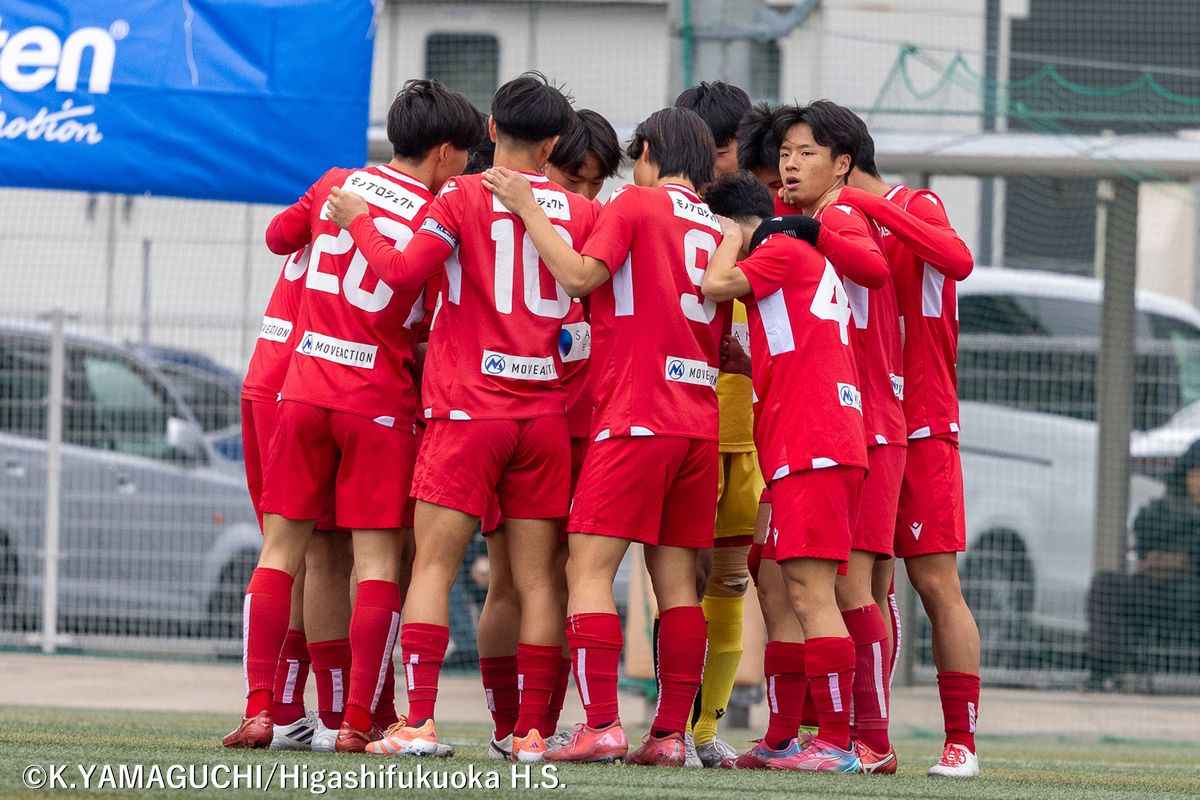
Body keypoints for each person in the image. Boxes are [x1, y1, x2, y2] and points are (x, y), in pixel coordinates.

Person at [327, 72, 594, 763]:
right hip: (544, 415)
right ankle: (530, 733)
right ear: (554, 145)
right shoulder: (579, 211)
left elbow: (399, 273)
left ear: (493, 130)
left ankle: (418, 722)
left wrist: (357, 221)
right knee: (538, 581)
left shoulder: (461, 195)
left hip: (467, 410)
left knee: (433, 569)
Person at [223, 79, 483, 752]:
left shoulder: (338, 183)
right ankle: (355, 720)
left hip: (303, 391)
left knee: (282, 553)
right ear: (446, 152)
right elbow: (432, 318)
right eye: (466, 153)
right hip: (377, 403)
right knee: (375, 564)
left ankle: (261, 710)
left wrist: (324, 220)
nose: (468, 166)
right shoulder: (440, 219)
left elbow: (278, 237)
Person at [484, 106, 725, 766]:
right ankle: (671, 736)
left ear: (646, 153)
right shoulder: (715, 225)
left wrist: (527, 208)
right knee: (678, 585)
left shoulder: (635, 204)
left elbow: (579, 276)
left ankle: (601, 725)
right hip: (698, 425)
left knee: (585, 569)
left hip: (636, 417)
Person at [702, 170, 886, 774]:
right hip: (801, 445)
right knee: (775, 585)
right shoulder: (794, 259)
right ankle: (781, 738)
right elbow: (799, 347)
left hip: (815, 446)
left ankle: (836, 743)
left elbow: (714, 284)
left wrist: (727, 236)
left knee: (811, 591)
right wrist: (747, 362)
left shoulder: (780, 248)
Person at [474, 108, 621, 761]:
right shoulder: (501, 216)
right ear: (545, 159)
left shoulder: (602, 227)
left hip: (593, 429)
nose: (582, 193)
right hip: (526, 418)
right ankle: (508, 726)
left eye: (594, 183)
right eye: (573, 177)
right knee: (512, 579)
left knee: (566, 580)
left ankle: (542, 725)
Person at [837, 121, 980, 779]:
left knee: (934, 581)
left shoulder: (915, 204)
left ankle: (961, 742)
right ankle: (869, 737)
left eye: (804, 152)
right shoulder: (830, 222)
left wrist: (866, 204)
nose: (791, 167)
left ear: (842, 161)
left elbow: (958, 259)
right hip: (863, 425)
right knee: (864, 583)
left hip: (923, 425)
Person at [674, 80, 756, 768]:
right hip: (683, 425)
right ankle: (670, 725)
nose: (720, 161)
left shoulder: (762, 221)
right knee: (678, 578)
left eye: (727, 146)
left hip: (750, 435)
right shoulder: (663, 216)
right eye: (711, 147)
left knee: (729, 582)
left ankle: (704, 729)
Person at [1088, 441, 1200, 687]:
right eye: (1195, 475)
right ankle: (1106, 672)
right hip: (1159, 591)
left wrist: (1179, 558)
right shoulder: (1167, 508)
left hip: (1191, 594)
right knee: (1105, 585)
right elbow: (1146, 532)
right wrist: (1175, 559)